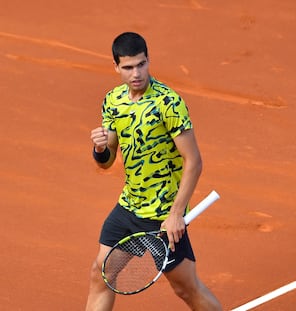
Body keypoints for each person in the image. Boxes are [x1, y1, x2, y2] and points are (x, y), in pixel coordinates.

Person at [85, 32, 222, 311]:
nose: (136, 73)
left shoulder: (168, 103)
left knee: (186, 289)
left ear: (148, 61)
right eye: (128, 67)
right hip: (129, 208)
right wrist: (99, 150)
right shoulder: (113, 102)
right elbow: (107, 161)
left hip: (162, 216)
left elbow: (194, 161)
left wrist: (176, 215)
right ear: (116, 67)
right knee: (102, 274)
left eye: (141, 64)